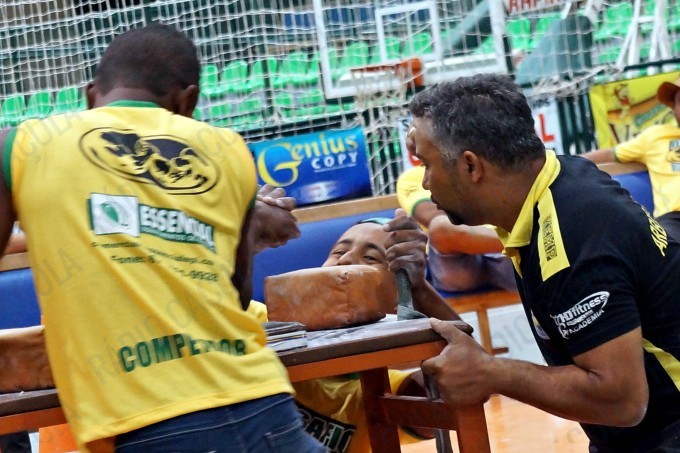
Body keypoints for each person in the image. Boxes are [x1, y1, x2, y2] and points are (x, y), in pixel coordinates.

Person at [0, 25, 323, 452]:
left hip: (151, 426)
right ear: (188, 100)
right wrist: (245, 233)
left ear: (89, 95)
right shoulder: (228, 149)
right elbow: (236, 296)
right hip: (266, 403)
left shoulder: (20, 146)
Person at [400, 74, 680, 452]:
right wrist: (420, 288)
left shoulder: (571, 238)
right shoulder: (558, 179)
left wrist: (493, 373)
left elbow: (622, 400)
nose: (425, 182)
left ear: (471, 166)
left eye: (427, 165)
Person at [247, 214, 462, 453]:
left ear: (394, 302)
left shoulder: (381, 390)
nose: (346, 259)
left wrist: (418, 288)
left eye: (370, 258)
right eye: (338, 252)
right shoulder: (252, 320)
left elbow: (463, 384)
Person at [397, 134, 516, 293]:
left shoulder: (493, 166)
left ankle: (520, 243)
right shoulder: (413, 177)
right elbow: (430, 215)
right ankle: (521, 241)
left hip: (506, 255)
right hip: (455, 258)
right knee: (440, 227)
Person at [581, 77, 680, 240]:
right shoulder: (656, 136)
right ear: (674, 108)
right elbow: (610, 154)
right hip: (674, 218)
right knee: (664, 245)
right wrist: (567, 162)